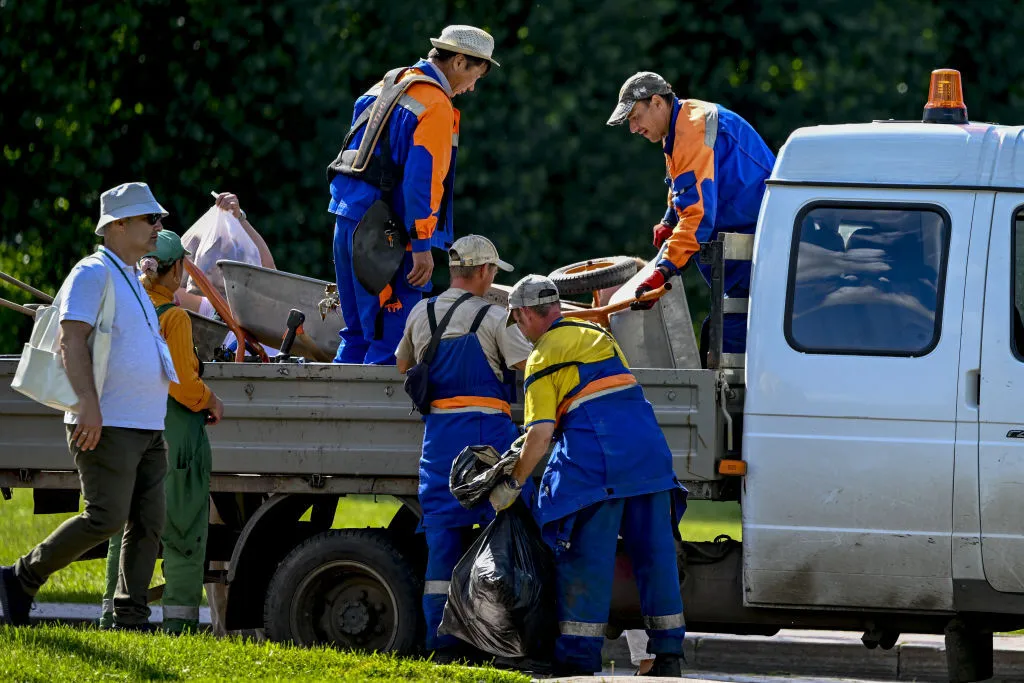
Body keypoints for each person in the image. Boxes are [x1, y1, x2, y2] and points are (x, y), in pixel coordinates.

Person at [492, 274, 688, 677]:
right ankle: (668, 655)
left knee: (585, 559)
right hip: (650, 458)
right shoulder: (596, 333)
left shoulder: (543, 356)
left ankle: (578, 661)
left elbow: (540, 435)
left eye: (518, 321)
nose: (521, 332)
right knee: (655, 558)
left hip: (600, 465)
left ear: (527, 313)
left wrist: (512, 485)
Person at [0, 182, 174, 630]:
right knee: (106, 517)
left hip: (145, 424)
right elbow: (70, 339)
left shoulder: (130, 276)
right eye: (149, 219)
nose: (159, 226)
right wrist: (88, 407)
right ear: (117, 225)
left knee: (148, 524)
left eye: (158, 219)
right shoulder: (92, 272)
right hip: (108, 421)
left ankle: (130, 617)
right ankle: (21, 577)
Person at [395, 235, 534, 659]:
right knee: (497, 542)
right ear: (485, 272)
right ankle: (494, 644)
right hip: (486, 444)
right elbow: (528, 366)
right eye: (494, 271)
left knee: (442, 545)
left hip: (438, 442)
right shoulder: (495, 317)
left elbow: (403, 364)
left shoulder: (422, 311)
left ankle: (441, 645)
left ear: (454, 270)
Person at [327, 25, 499, 365]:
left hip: (347, 220)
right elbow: (422, 181)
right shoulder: (435, 103)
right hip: (387, 235)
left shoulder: (387, 84)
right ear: (460, 61)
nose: (471, 88)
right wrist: (421, 246)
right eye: (475, 77)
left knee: (359, 332)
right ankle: (376, 419)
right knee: (391, 340)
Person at [99, 230, 225, 633]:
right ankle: (180, 624)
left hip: (129, 435)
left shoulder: (124, 311)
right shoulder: (175, 318)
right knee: (184, 531)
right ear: (174, 274)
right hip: (176, 443)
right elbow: (182, 384)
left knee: (127, 530)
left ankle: (115, 615)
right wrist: (210, 399)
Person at [607, 71, 775, 361]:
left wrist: (664, 269)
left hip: (757, 251)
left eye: (635, 117)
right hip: (747, 248)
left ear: (657, 102)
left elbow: (698, 216)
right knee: (718, 333)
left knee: (727, 343)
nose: (633, 128)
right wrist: (669, 220)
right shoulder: (679, 125)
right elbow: (684, 187)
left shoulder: (691, 130)